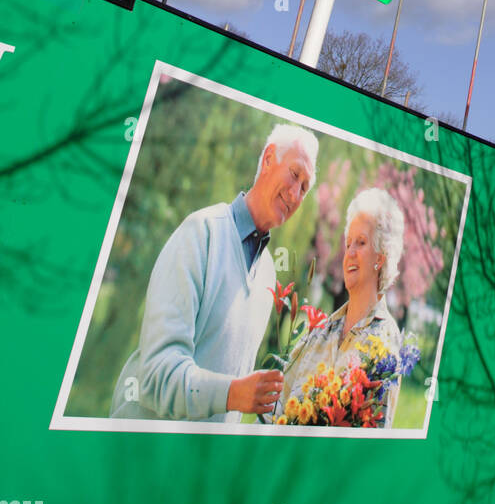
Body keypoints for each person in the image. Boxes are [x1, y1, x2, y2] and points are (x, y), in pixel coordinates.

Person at [110, 123, 318, 423]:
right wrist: (233, 394)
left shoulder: (268, 273)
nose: (297, 193)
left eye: (305, 187)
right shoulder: (201, 233)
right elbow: (157, 375)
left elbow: (233, 397)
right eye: (295, 174)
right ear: (269, 159)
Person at [280, 187, 405, 426]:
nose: (350, 253)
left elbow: (371, 439)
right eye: (348, 244)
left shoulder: (385, 343)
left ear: (381, 257)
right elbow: (274, 412)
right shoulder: (318, 332)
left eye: (361, 243)